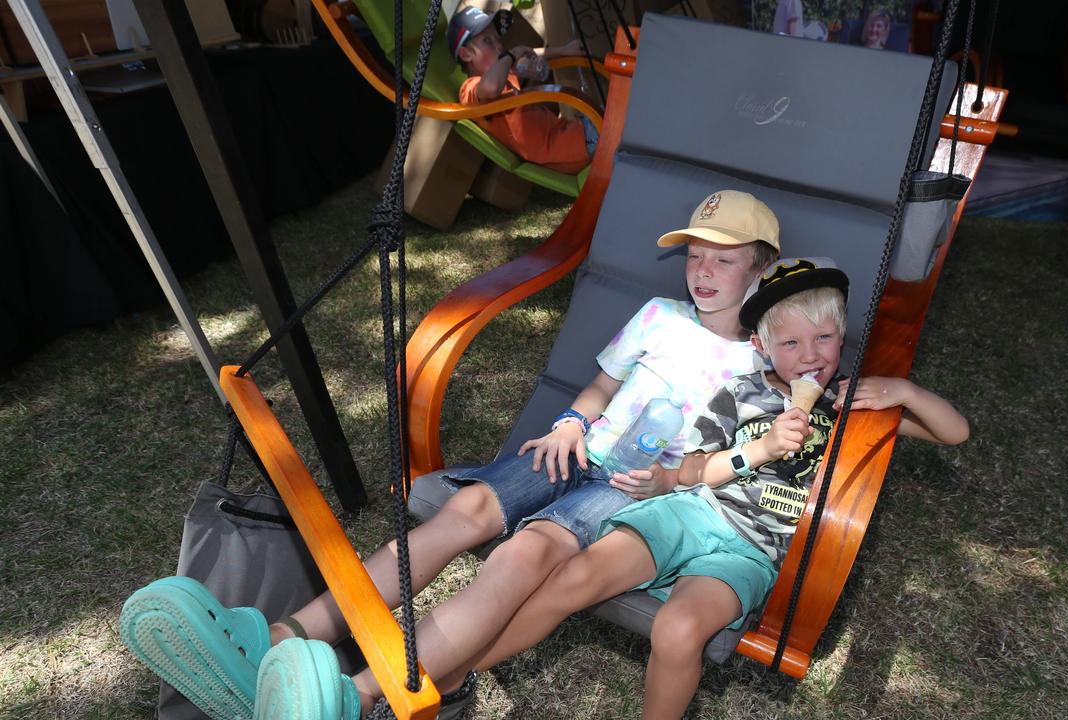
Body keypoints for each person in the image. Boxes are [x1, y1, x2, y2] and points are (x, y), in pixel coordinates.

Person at [120, 190, 783, 718]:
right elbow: (603, 385)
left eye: (723, 260)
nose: (702, 272)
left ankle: (358, 696)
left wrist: (890, 390)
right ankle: (274, 640)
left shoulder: (765, 357)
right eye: (694, 255)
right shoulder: (658, 315)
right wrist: (569, 424)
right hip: (576, 449)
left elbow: (807, 396)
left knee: (525, 556)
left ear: (760, 270)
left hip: (634, 484)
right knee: (461, 513)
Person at [439, 257, 971, 719]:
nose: (811, 355)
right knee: (572, 577)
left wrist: (904, 390)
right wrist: (758, 450)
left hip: (751, 551)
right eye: (790, 342)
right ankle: (455, 674)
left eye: (825, 338)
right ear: (762, 346)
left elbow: (953, 432)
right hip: (689, 513)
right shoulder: (738, 393)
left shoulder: (846, 403)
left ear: (842, 336)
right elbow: (691, 470)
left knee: (676, 630)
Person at [451, 6, 596, 174]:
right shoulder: (470, 87)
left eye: (498, 38)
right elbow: (490, 88)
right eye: (487, 41)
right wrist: (510, 55)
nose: (499, 46)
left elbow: (531, 53)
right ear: (466, 54)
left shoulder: (502, 71)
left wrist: (564, 50)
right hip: (569, 147)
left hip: (572, 133)